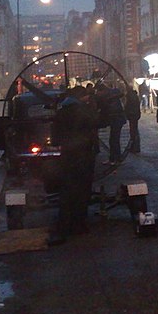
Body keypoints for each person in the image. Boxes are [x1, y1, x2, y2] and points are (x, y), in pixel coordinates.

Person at [50, 88, 99, 242]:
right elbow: (100, 122)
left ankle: (64, 225)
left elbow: (55, 139)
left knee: (67, 190)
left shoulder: (61, 113)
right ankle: (79, 224)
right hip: (84, 156)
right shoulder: (85, 111)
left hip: (67, 156)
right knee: (83, 191)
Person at [125, 88, 141, 154]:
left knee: (133, 131)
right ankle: (135, 146)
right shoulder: (134, 96)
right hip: (134, 115)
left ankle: (134, 147)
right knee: (134, 131)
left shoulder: (131, 97)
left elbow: (130, 107)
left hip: (133, 115)